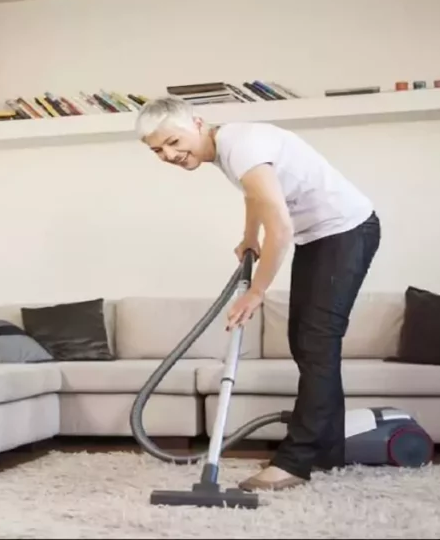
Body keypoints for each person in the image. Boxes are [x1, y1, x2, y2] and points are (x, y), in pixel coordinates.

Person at [134, 96, 381, 491]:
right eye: (157, 150)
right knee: (308, 343)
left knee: (317, 342)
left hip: (345, 231)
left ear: (196, 123)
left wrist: (257, 293)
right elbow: (256, 194)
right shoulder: (228, 150)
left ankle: (296, 462)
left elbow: (280, 228)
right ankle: (326, 450)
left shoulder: (240, 145)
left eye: (173, 142)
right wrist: (249, 236)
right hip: (320, 237)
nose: (169, 155)